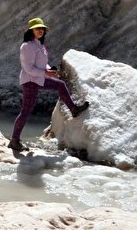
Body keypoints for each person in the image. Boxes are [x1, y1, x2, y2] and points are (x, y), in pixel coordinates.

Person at [9, 17, 89, 153]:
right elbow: (28, 69)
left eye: (42, 29)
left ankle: (73, 109)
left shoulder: (39, 45)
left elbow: (41, 63)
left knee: (60, 85)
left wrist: (49, 70)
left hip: (38, 78)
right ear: (31, 31)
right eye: (37, 28)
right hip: (30, 81)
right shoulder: (27, 46)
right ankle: (14, 141)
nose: (41, 31)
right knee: (26, 111)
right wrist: (46, 72)